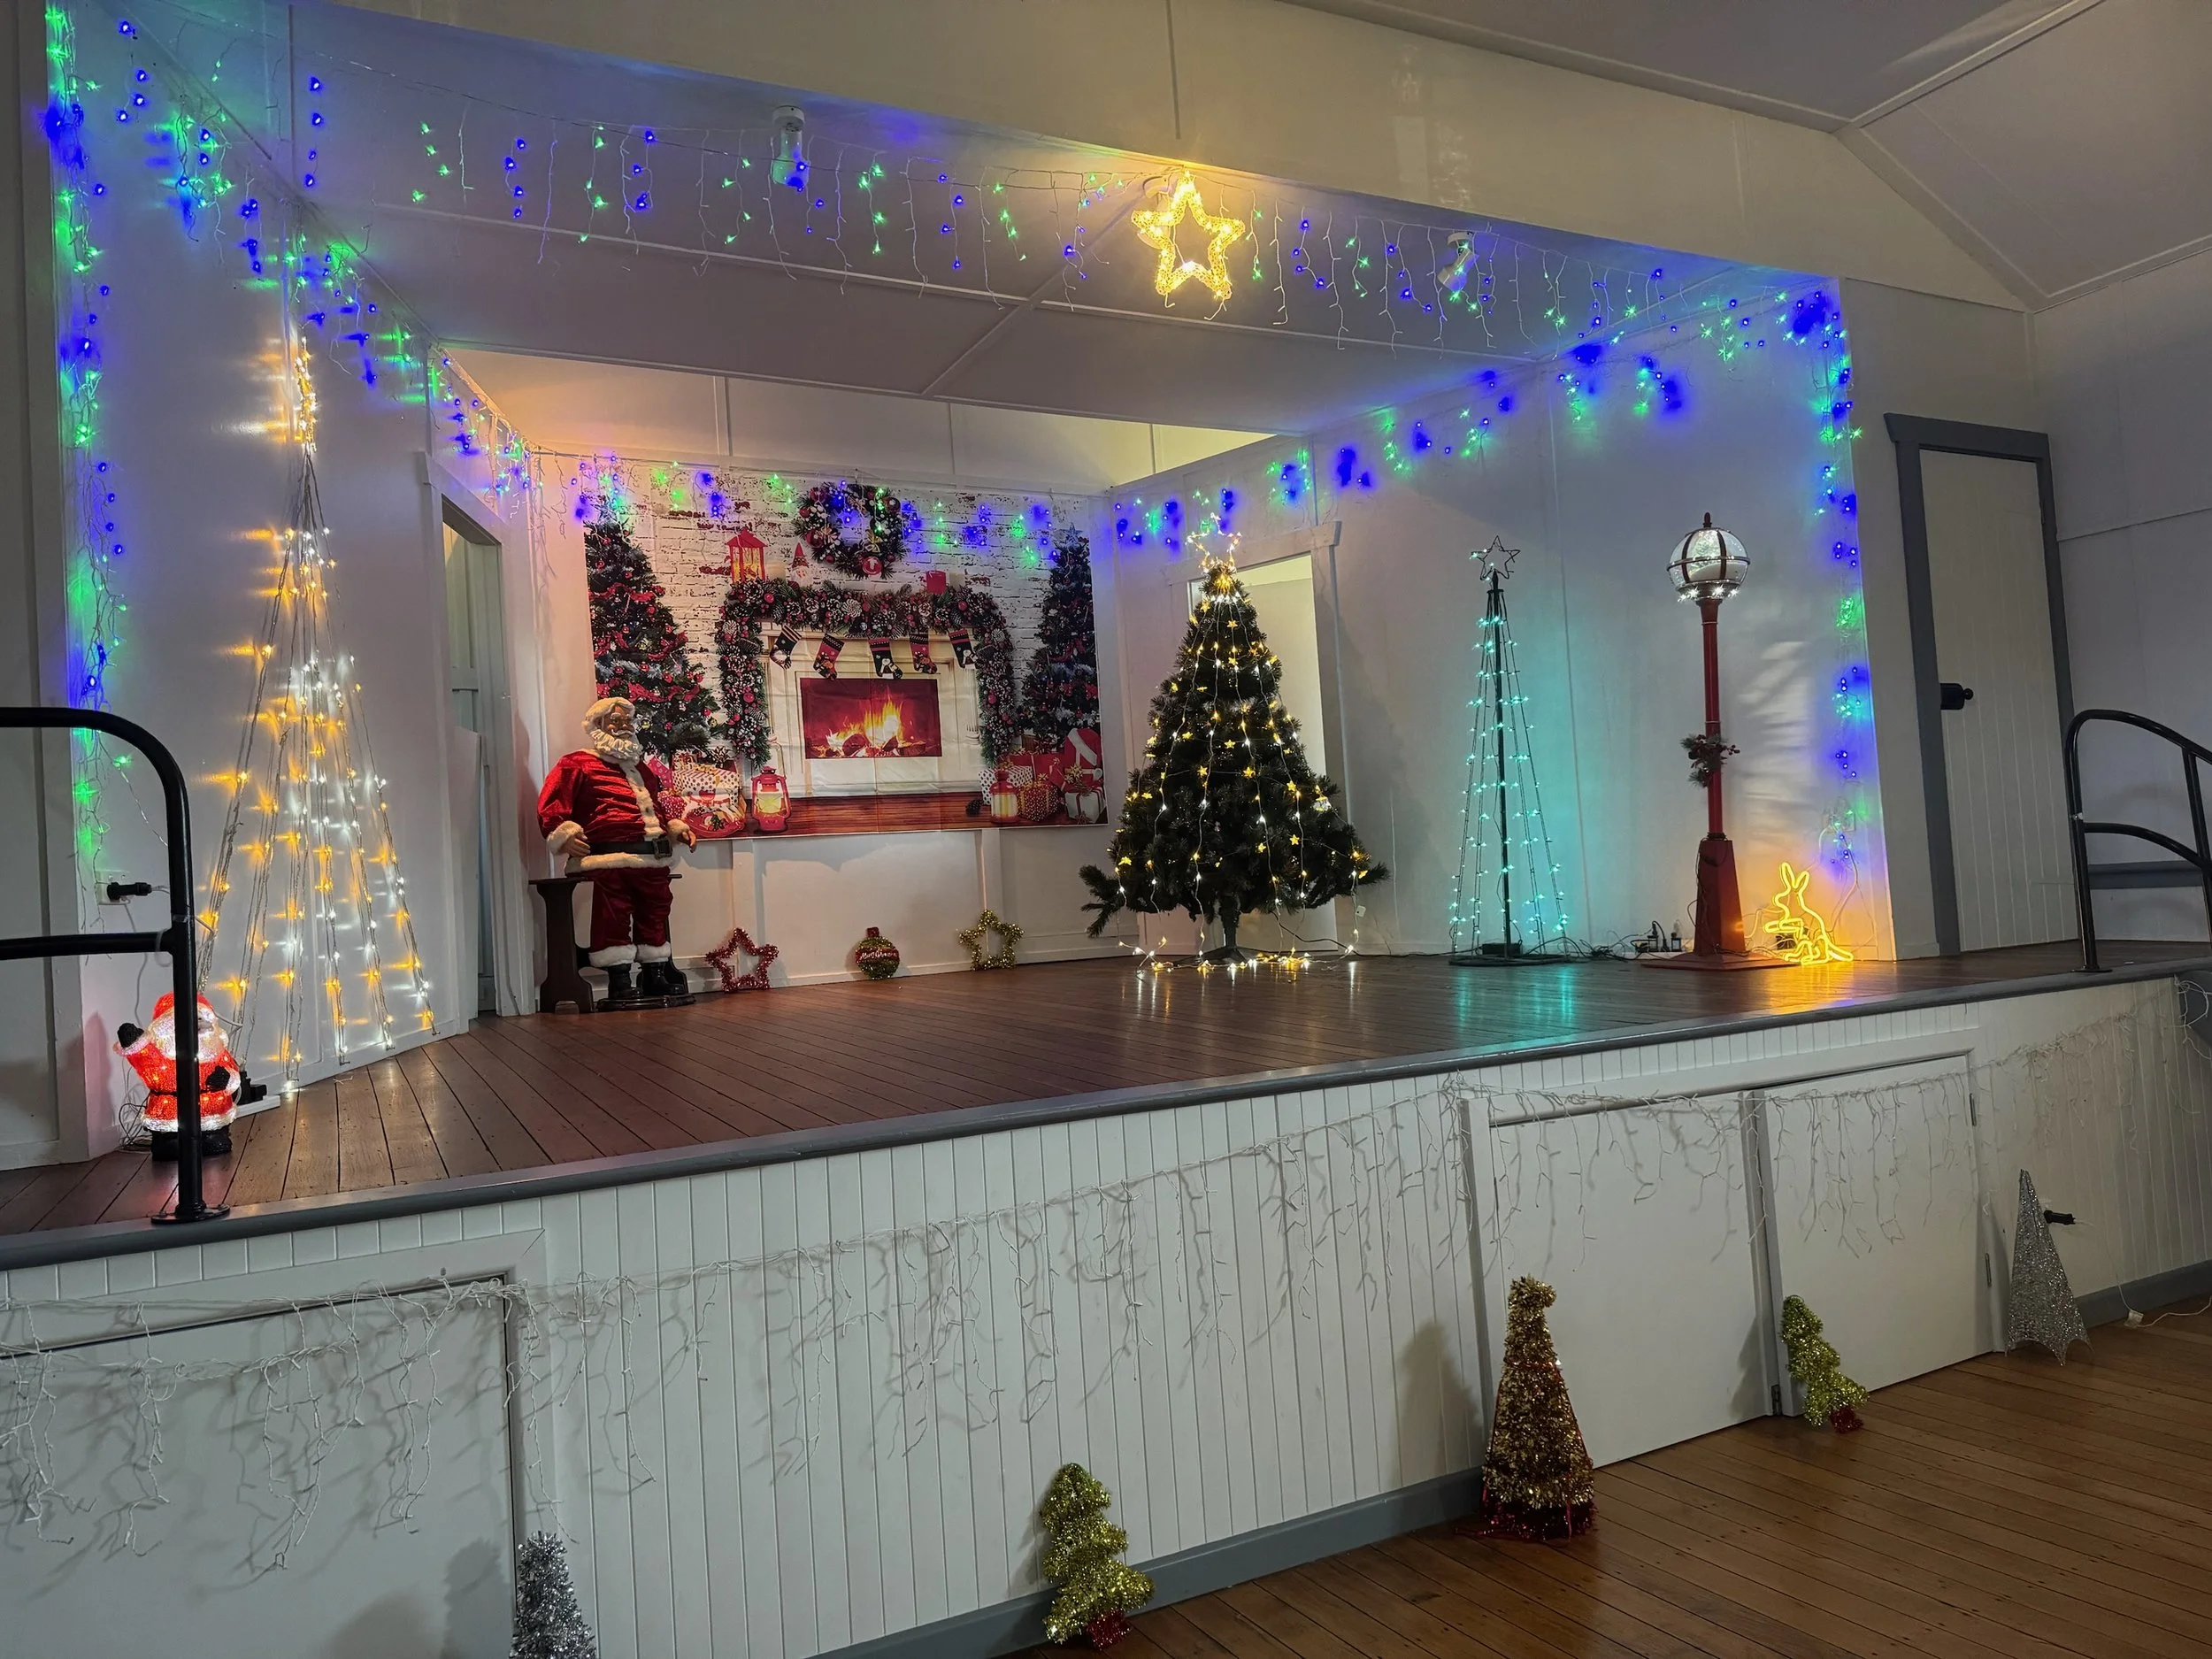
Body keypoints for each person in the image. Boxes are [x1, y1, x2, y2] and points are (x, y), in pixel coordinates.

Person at [536, 697, 697, 1002]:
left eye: (627, 722)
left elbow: (655, 808)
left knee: (656, 910)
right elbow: (553, 806)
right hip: (607, 857)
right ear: (598, 726)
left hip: (652, 857)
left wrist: (676, 828)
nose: (624, 727)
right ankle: (619, 977)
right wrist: (563, 835)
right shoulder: (575, 764)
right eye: (616, 721)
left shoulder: (640, 769)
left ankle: (655, 973)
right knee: (613, 913)